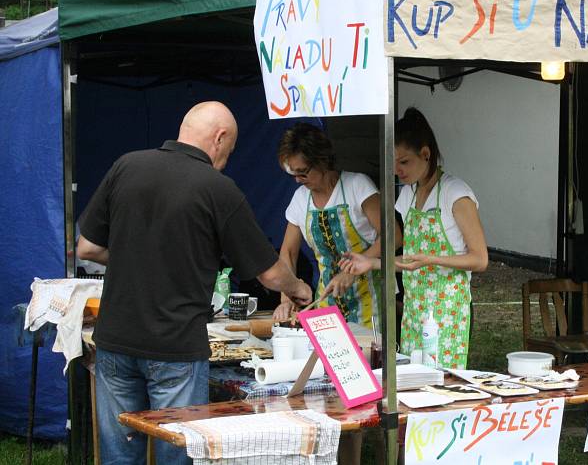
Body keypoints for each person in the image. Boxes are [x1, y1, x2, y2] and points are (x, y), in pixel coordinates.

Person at [76, 101, 313, 465]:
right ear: (219, 138)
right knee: (179, 454)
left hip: (115, 341)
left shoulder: (126, 165)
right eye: (229, 152)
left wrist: (132, 256)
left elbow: (88, 247)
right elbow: (268, 271)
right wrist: (297, 288)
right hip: (176, 349)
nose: (226, 161)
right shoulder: (218, 188)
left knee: (119, 455)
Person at [341, 107, 488, 369]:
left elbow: (480, 259)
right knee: (411, 381)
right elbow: (409, 260)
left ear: (426, 154)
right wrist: (369, 262)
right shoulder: (408, 194)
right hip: (413, 307)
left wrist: (429, 259)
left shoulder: (455, 194)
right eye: (393, 162)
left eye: (404, 161)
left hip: (447, 310)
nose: (397, 170)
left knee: (441, 385)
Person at [273, 123, 392, 328]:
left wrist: (353, 270)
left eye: (303, 173)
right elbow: (289, 253)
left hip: (371, 299)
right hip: (327, 300)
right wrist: (286, 298)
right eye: (292, 174)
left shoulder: (357, 185)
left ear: (322, 160)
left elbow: (392, 235)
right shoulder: (301, 199)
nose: (297, 180)